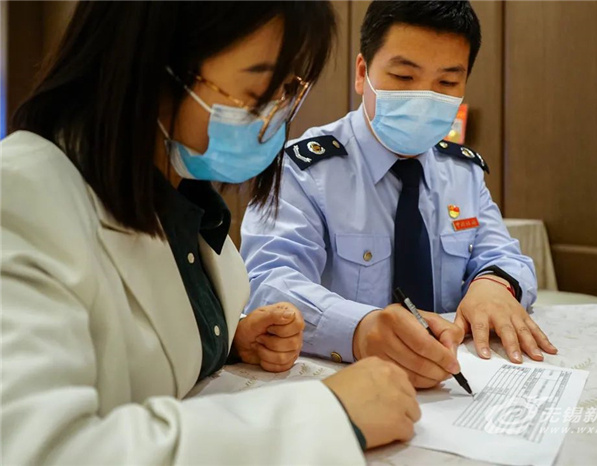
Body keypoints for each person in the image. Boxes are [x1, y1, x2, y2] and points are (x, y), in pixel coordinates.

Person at [0, 2, 420, 464]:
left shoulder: (180, 195)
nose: (274, 117)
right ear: (156, 66)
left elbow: (142, 337)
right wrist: (327, 416)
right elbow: (42, 450)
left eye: (287, 91)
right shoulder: (17, 198)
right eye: (258, 89)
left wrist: (227, 340)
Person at [240, 0, 558, 390]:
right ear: (362, 73)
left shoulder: (462, 171)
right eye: (404, 76)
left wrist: (494, 285)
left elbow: (502, 254)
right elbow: (269, 282)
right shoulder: (302, 170)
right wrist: (359, 329)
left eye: (446, 83)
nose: (424, 97)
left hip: (452, 382)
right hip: (342, 384)